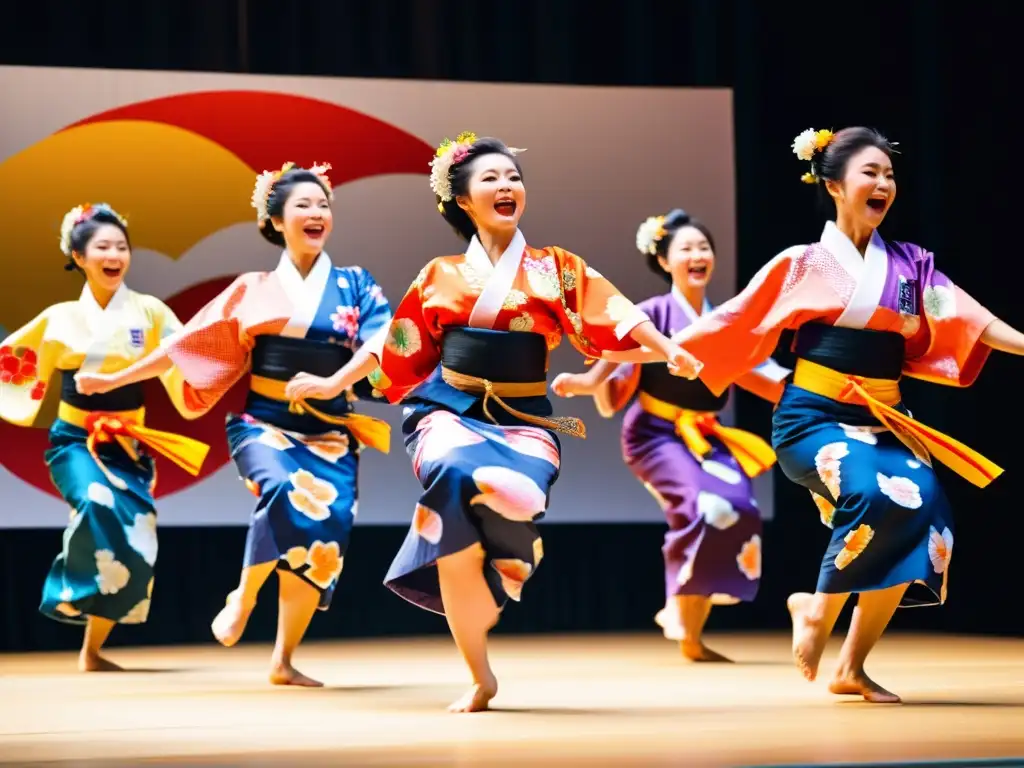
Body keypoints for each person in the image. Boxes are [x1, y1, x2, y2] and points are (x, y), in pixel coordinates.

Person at [666, 126, 1024, 702]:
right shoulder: (802, 264)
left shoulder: (912, 270)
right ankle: (815, 609)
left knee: (922, 509)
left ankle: (851, 666)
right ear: (833, 184)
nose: (884, 183)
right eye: (870, 173)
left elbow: (965, 317)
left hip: (886, 417)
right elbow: (737, 319)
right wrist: (670, 351)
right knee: (880, 494)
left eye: (890, 174)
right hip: (812, 417)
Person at [369, 132, 702, 713]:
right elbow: (401, 349)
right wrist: (349, 384)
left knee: (513, 498)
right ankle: (479, 674)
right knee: (451, 472)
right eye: (491, 179)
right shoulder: (439, 274)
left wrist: (666, 348)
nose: (506, 186)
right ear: (463, 200)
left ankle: (499, 565)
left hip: (524, 420)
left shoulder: (558, 268)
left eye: (514, 177)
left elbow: (613, 313)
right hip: (448, 411)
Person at [75, 164, 393, 687]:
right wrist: (113, 382)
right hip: (264, 425)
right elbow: (181, 350)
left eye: (324, 206)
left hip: (331, 432)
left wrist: (335, 382)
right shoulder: (253, 289)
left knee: (322, 538)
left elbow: (383, 344)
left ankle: (283, 659)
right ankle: (243, 597)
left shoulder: (355, 284)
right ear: (277, 218)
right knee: (283, 489)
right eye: (303, 206)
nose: (317, 214)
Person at [551, 208, 790, 661]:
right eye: (686, 249)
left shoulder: (724, 318)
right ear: (664, 261)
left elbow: (757, 371)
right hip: (654, 435)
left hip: (706, 434)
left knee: (739, 507)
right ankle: (682, 619)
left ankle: (692, 635)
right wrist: (587, 383)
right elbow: (617, 352)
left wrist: (803, 392)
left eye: (704, 248)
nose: (697, 255)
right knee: (703, 506)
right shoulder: (652, 313)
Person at [0, 203, 210, 671]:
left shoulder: (150, 311)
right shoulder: (59, 318)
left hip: (129, 443)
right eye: (102, 247)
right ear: (78, 256)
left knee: (139, 534)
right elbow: (13, 361)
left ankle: (91, 651)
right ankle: (68, 593)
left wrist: (220, 351)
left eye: (122, 246)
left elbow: (185, 352)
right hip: (75, 439)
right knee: (96, 500)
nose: (115, 254)